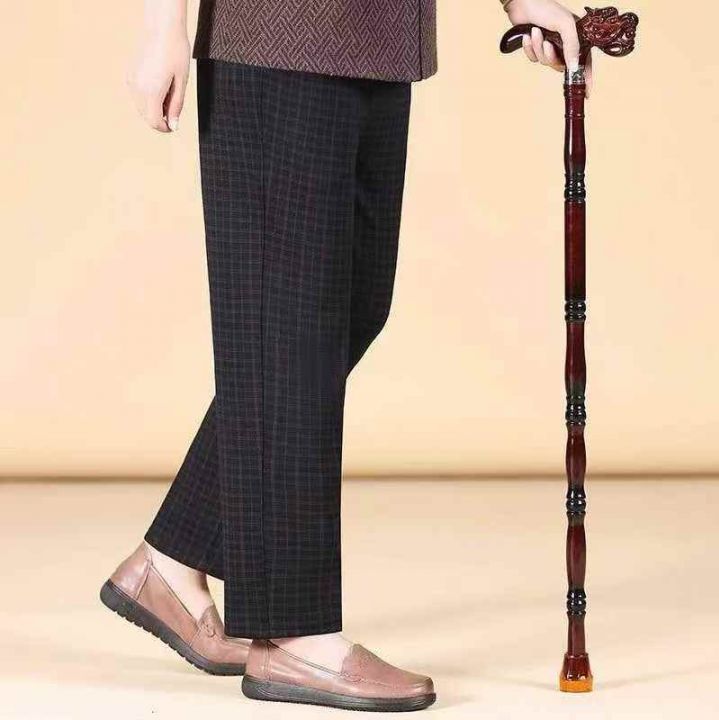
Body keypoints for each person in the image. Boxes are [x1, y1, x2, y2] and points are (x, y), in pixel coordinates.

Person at [102, 0, 588, 712]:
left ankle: (172, 560)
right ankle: (294, 635)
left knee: (346, 307)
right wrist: (162, 27)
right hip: (277, 35)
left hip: (380, 39)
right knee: (291, 322)